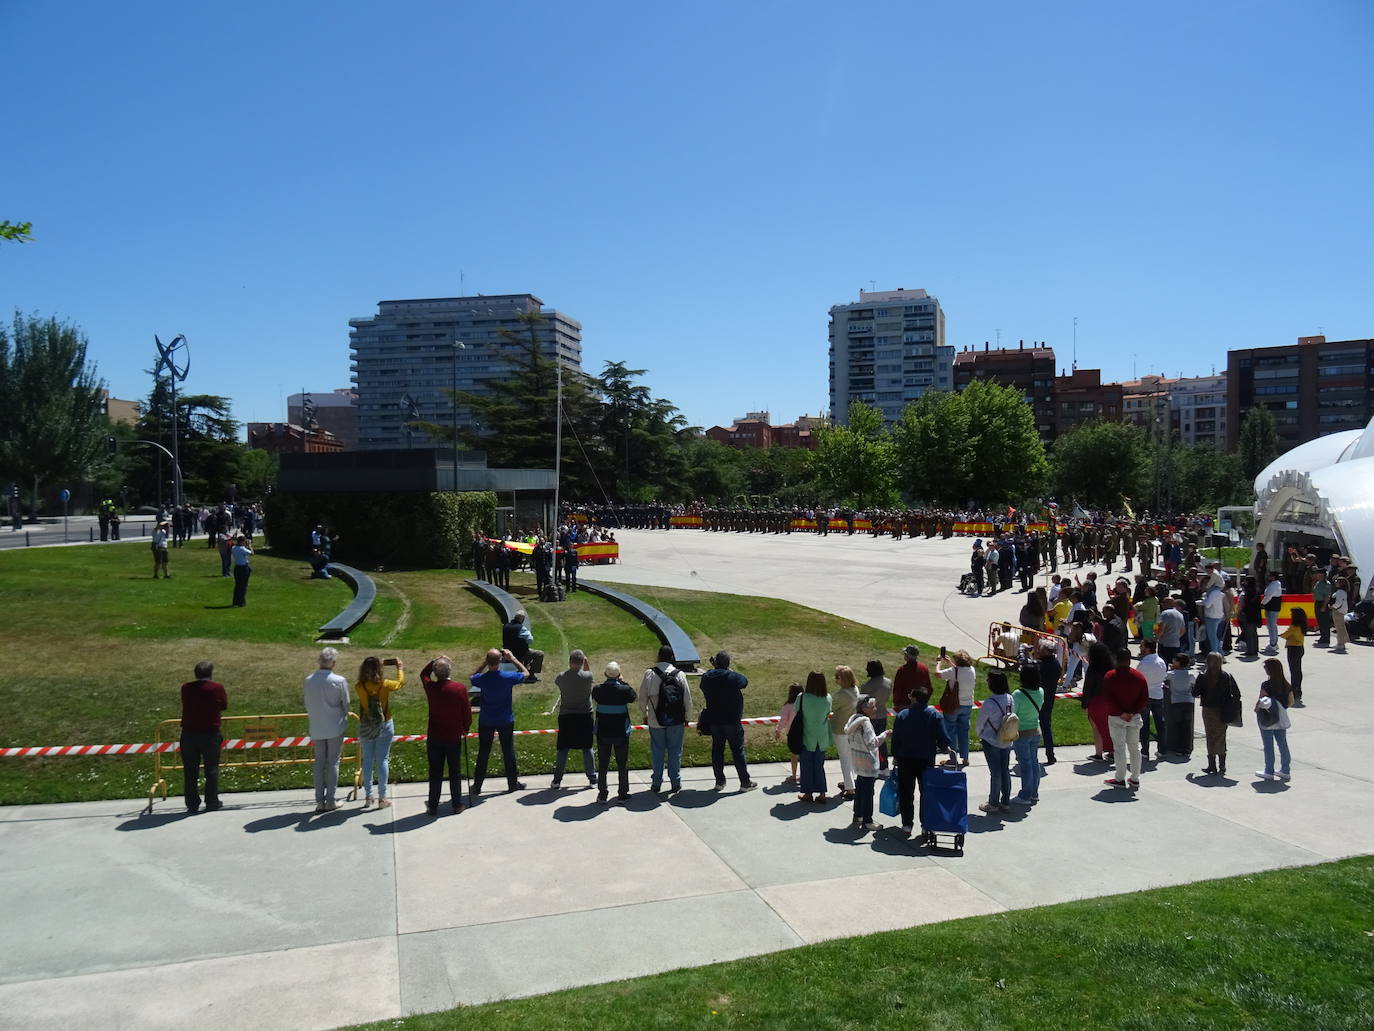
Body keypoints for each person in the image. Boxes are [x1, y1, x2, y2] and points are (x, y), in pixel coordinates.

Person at [890, 682, 955, 838]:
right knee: (926, 792)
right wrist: (946, 748)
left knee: (906, 792)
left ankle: (907, 824)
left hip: (905, 759)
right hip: (926, 759)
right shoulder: (934, 715)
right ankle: (926, 825)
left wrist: (895, 756)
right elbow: (942, 738)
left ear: (914, 698)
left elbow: (896, 739)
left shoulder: (903, 715)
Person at [469, 648, 529, 797]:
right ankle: (512, 783)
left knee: (483, 752)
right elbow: (526, 674)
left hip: (487, 720)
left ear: (488, 662)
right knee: (508, 751)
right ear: (500, 661)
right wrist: (513, 658)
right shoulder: (507, 677)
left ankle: (477, 786)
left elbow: (472, 676)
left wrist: (484, 663)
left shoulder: (482, 679)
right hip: (505, 719)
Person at [420, 655, 471, 816]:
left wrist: (433, 661)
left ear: (436, 673)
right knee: (454, 771)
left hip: (435, 735)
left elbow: (423, 674)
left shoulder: (431, 687)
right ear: (450, 670)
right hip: (453, 736)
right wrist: (466, 727)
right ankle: (457, 804)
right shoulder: (459, 688)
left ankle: (433, 805)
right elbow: (466, 713)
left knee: (435, 771)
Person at [640, 644, 695, 794]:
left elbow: (642, 698)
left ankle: (656, 782)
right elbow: (687, 699)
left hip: (655, 720)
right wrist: (687, 717)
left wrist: (644, 715)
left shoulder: (649, 674)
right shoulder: (680, 674)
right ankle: (675, 782)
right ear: (672, 658)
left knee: (657, 752)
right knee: (675, 751)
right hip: (676, 719)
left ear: (658, 657)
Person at [699, 650, 756, 792]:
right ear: (728, 664)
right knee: (737, 751)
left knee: (717, 751)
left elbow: (703, 684)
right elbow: (744, 681)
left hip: (715, 720)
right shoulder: (732, 676)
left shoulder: (707, 677)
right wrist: (727, 670)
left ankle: (719, 782)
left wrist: (716, 669)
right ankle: (745, 782)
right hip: (732, 721)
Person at [303, 647, 352, 812]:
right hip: (335, 726)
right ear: (334, 663)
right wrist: (345, 714)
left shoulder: (308, 680)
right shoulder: (339, 680)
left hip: (316, 726)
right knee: (332, 763)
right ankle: (330, 799)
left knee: (319, 763)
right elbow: (346, 704)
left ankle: (319, 801)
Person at [355, 655, 404, 809]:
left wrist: (376, 665)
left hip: (367, 725)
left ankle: (369, 796)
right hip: (385, 724)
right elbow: (400, 683)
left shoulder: (359, 686)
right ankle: (382, 797)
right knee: (382, 759)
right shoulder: (385, 684)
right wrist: (400, 668)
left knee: (368, 760)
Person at [180, 660, 227, 813]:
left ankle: (192, 803)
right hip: (209, 733)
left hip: (189, 733)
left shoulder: (186, 688)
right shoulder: (216, 688)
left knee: (190, 770)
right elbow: (224, 705)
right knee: (211, 769)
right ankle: (212, 801)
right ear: (211, 673)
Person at [1102, 647, 1148, 788]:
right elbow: (1144, 698)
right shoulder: (1139, 677)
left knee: (1119, 748)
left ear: (1116, 659)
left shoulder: (1110, 676)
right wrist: (1132, 712)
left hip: (1117, 717)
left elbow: (1108, 697)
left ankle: (1120, 778)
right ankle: (1135, 778)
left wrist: (1121, 712)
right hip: (1134, 717)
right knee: (1135, 748)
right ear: (1130, 660)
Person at [592, 661, 637, 803]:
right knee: (622, 764)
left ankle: (602, 794)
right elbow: (633, 696)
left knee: (603, 763)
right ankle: (623, 794)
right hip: (620, 732)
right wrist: (623, 682)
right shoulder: (624, 690)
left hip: (603, 733)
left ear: (605, 674)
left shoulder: (597, 689)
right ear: (618, 675)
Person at [551, 650, 597, 789]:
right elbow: (589, 674)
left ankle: (557, 780)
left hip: (567, 716)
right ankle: (592, 778)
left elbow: (558, 681)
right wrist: (586, 662)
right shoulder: (588, 676)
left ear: (570, 661)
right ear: (582, 662)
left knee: (563, 748)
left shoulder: (561, 677)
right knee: (587, 747)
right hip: (585, 715)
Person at [844, 694, 888, 832]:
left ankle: (858, 816)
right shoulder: (866, 723)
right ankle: (868, 821)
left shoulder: (853, 719)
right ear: (864, 708)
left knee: (860, 791)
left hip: (857, 761)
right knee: (868, 793)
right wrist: (885, 734)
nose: (875, 709)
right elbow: (872, 743)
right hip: (868, 763)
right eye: (872, 706)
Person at [1193, 651, 1240, 776]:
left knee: (1210, 735)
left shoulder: (1203, 676)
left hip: (1208, 710)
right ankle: (1222, 765)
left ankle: (1211, 764)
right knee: (1221, 736)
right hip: (1223, 709)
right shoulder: (1226, 676)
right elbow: (1237, 693)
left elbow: (1195, 693)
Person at [975, 669, 1014, 814]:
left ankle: (993, 802)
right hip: (1006, 739)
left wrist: (980, 734)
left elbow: (980, 723)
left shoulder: (989, 703)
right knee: (1005, 771)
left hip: (991, 741)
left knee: (995, 772)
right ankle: (1005, 802)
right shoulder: (1010, 698)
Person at [795, 671, 833, 804]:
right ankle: (822, 793)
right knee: (819, 765)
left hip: (806, 736)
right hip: (821, 737)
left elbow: (796, 711)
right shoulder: (828, 697)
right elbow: (828, 713)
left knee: (806, 765)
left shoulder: (802, 697)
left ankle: (808, 793)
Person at [935, 649, 976, 768]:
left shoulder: (953, 671)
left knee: (951, 731)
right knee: (964, 731)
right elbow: (959, 672)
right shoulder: (971, 670)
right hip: (968, 704)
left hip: (954, 705)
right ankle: (965, 757)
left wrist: (939, 662)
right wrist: (950, 663)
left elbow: (938, 674)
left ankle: (953, 758)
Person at [1010, 665, 1045, 805]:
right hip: (1035, 730)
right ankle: (1034, 793)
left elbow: (1013, 714)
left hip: (1022, 733)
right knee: (1034, 763)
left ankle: (1025, 795)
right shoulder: (1041, 691)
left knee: (1025, 764)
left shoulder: (1017, 695)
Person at [1255, 658, 1294, 782]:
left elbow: (1261, 701)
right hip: (1280, 719)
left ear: (1270, 670)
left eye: (1266, 667)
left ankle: (1269, 771)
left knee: (1268, 745)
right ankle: (1285, 770)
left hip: (1267, 719)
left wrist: (1256, 708)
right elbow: (1291, 702)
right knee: (1282, 743)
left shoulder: (1266, 685)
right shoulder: (1287, 685)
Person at [828, 665, 861, 798]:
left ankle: (850, 788)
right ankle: (851, 781)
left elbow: (831, 707)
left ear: (843, 679)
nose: (835, 679)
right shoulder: (855, 690)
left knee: (844, 758)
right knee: (851, 757)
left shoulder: (841, 695)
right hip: (853, 727)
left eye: (837, 677)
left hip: (841, 730)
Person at [1081, 642, 1114, 763]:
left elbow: (1088, 687)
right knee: (1110, 727)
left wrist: (1084, 703)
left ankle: (1098, 753)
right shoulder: (1112, 667)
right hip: (1110, 701)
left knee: (1096, 728)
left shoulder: (1093, 669)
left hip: (1096, 701)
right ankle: (1112, 751)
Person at [1136, 639, 1169, 760]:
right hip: (1158, 695)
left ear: (1148, 648)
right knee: (1160, 724)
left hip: (1145, 697)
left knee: (1144, 725)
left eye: (1142, 646)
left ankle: (1145, 751)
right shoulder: (1161, 662)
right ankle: (1162, 749)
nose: (1140, 648)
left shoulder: (1144, 663)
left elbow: (1138, 679)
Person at [860, 659, 893, 770]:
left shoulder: (866, 686)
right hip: (882, 715)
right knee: (881, 741)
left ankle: (873, 765)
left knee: (870, 742)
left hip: (870, 717)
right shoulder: (888, 682)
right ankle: (884, 766)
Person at [1164, 653, 1196, 757]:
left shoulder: (1171, 674)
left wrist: (1171, 669)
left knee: (1177, 725)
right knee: (1186, 726)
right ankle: (1186, 748)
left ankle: (1177, 747)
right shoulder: (1191, 674)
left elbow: (1164, 678)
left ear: (1177, 662)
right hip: (1188, 702)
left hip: (1176, 702)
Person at [1036, 639, 1061, 764]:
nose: (1038, 650)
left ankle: (1030, 754)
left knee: (1030, 727)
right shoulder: (1056, 664)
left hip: (1037, 700)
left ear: (1046, 651)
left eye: (1040, 648)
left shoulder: (1041, 665)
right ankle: (1050, 755)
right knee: (1046, 728)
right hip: (1049, 699)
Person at [501, 611, 544, 682]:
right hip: (520, 653)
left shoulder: (506, 626)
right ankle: (531, 674)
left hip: (508, 652)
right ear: (522, 619)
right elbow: (530, 640)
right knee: (539, 654)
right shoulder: (521, 628)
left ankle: (525, 667)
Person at [775, 683, 803, 784]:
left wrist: (778, 730)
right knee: (804, 754)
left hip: (792, 733)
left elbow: (783, 720)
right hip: (804, 732)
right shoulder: (804, 704)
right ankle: (804, 775)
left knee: (794, 755)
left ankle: (794, 775)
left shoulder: (788, 706)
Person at [891, 645, 931, 711]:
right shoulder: (924, 668)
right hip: (921, 705)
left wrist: (896, 703)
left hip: (904, 705)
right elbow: (929, 688)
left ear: (907, 655)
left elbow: (897, 689)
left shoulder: (902, 670)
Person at [1282, 608, 1307, 705]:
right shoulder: (1302, 625)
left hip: (1293, 649)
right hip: (1300, 648)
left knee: (1293, 670)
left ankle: (1294, 690)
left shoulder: (1294, 626)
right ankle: (1298, 689)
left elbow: (1285, 635)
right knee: (1297, 670)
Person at [1260, 572, 1283, 654]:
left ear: (1273, 577)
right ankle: (1274, 642)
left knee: (1271, 626)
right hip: (1274, 607)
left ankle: (1272, 643)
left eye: (1269, 576)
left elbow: (1268, 596)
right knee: (1273, 625)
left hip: (1272, 607)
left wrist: (1262, 603)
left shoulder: (1273, 585)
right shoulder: (1276, 584)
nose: (1268, 577)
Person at [230, 535, 253, 607]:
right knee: (243, 586)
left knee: (237, 585)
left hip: (237, 567)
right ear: (242, 541)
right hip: (243, 568)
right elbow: (252, 553)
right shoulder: (242, 549)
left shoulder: (234, 548)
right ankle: (241, 602)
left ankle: (235, 601)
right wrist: (249, 545)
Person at [1330, 577, 1351, 654]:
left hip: (1338, 611)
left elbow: (1338, 602)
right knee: (1340, 626)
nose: (1335, 583)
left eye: (1337, 582)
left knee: (1339, 627)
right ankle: (1341, 641)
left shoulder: (1340, 592)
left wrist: (1333, 607)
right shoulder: (1342, 592)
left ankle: (1341, 643)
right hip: (1341, 610)